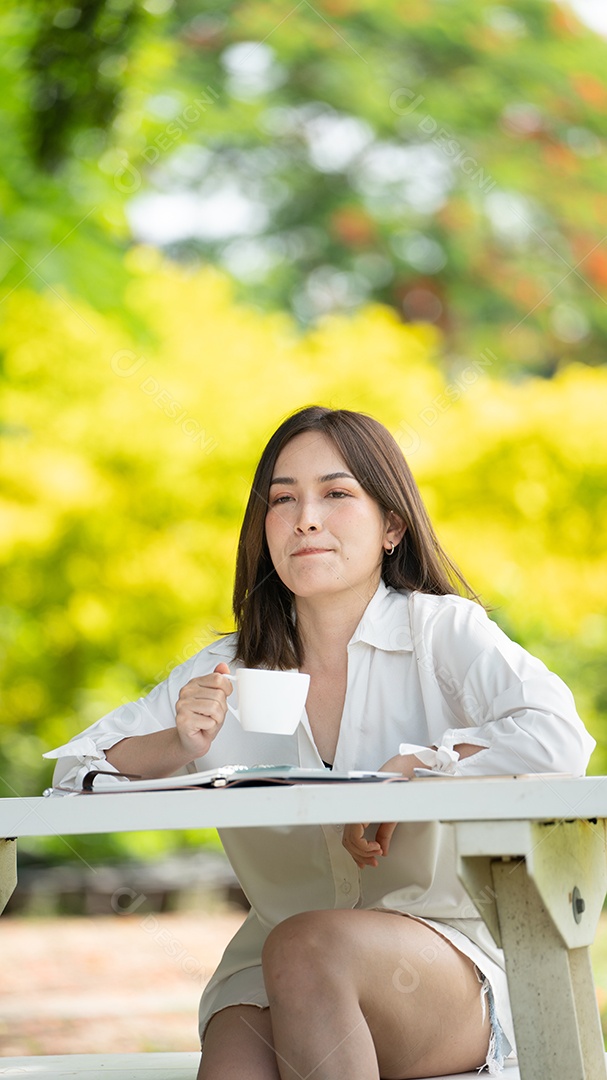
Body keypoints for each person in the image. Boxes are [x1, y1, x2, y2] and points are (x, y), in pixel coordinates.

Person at [46, 405, 595, 1079]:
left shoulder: (441, 633)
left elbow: (558, 737)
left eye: (336, 494)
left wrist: (417, 769)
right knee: (239, 1056)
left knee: (308, 946)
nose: (306, 517)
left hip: (439, 966)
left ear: (391, 524)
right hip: (268, 971)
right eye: (283, 499)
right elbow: (75, 771)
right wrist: (177, 744)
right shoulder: (224, 670)